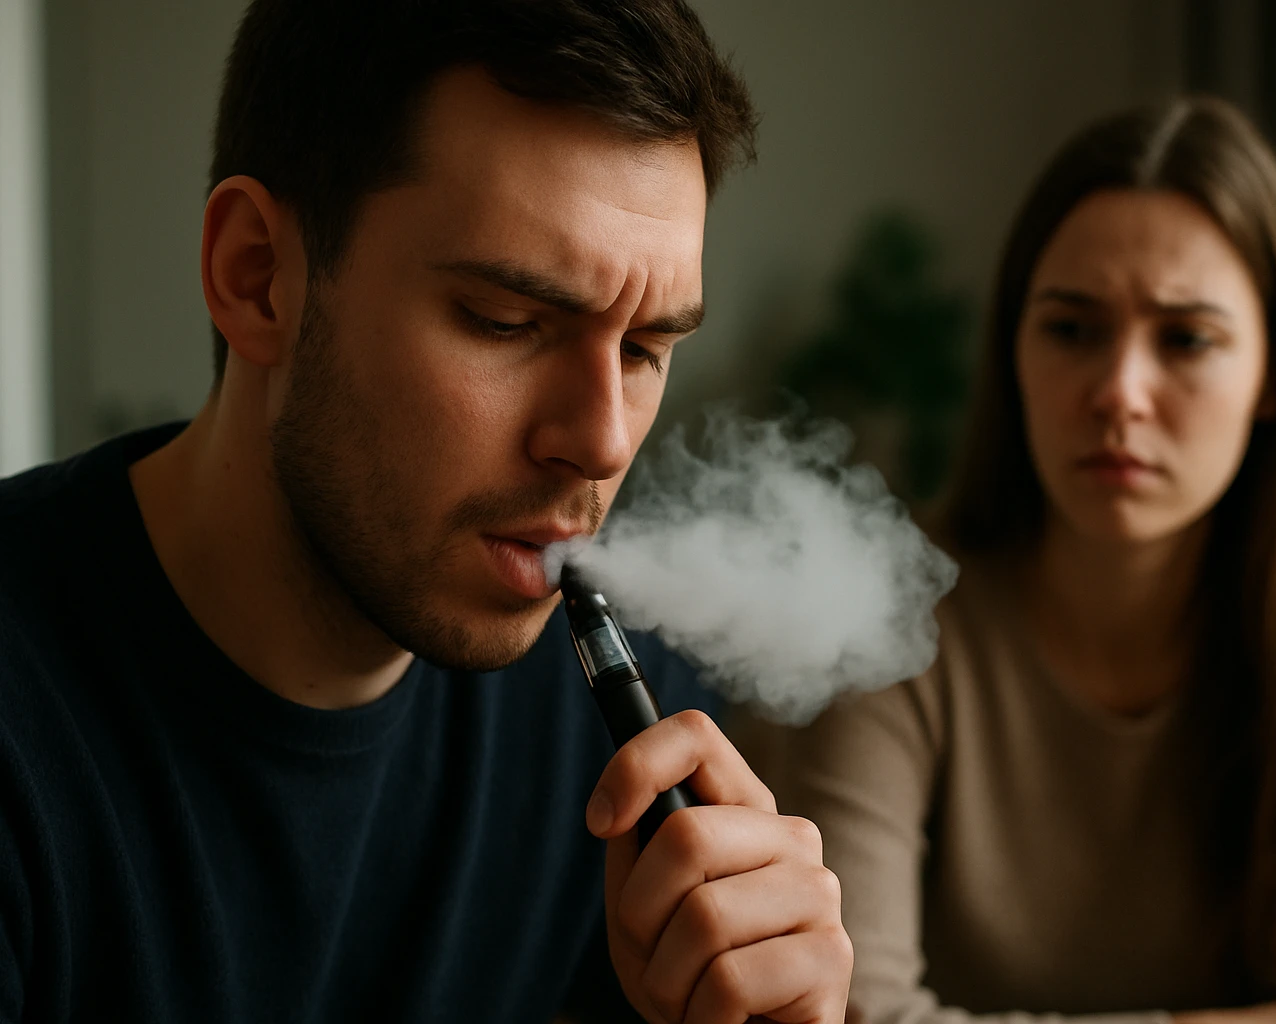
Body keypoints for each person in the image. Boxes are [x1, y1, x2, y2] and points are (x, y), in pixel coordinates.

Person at [0, 2, 853, 1022]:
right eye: (506, 321)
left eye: (643, 350)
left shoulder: (632, 733)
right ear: (257, 277)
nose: (602, 442)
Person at [742, 97, 1276, 1023]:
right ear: (1014, 352)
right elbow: (848, 1017)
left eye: (1186, 339)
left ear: (1274, 376)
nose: (1119, 393)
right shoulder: (884, 604)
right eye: (1072, 330)